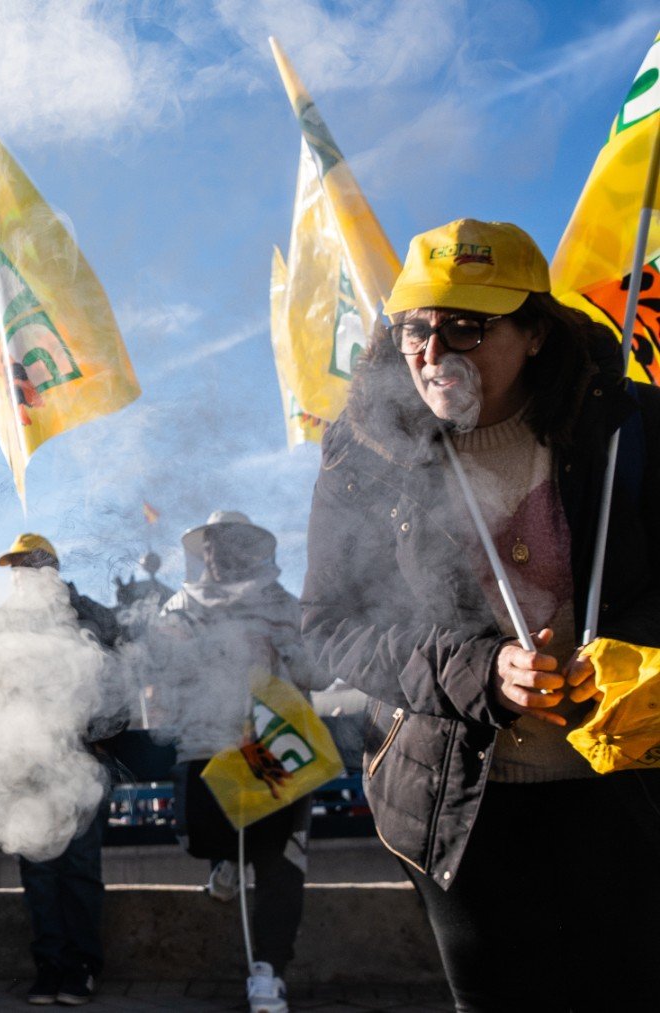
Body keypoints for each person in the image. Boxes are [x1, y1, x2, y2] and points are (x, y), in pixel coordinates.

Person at [303, 219, 660, 1010]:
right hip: (455, 801)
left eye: (468, 325)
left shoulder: (629, 424)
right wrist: (480, 672)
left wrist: (641, 652)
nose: (434, 351)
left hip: (626, 787)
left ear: (534, 332)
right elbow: (331, 626)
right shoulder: (364, 452)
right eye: (414, 328)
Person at [153, 511, 327, 1013]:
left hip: (274, 746)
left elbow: (317, 675)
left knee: (280, 860)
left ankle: (268, 973)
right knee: (205, 833)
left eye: (229, 544)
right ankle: (227, 858)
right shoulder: (180, 605)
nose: (218, 553)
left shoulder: (281, 604)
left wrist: (284, 647)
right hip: (208, 747)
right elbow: (159, 672)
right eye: (210, 545)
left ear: (253, 549)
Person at [0, 535, 119, 1006]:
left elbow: (120, 676)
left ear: (51, 566)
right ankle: (49, 965)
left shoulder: (87, 614)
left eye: (30, 563)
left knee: (79, 869)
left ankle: (82, 965)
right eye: (16, 566)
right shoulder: (5, 625)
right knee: (39, 871)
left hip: (81, 760)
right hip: (28, 762)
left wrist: (103, 734)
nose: (22, 572)